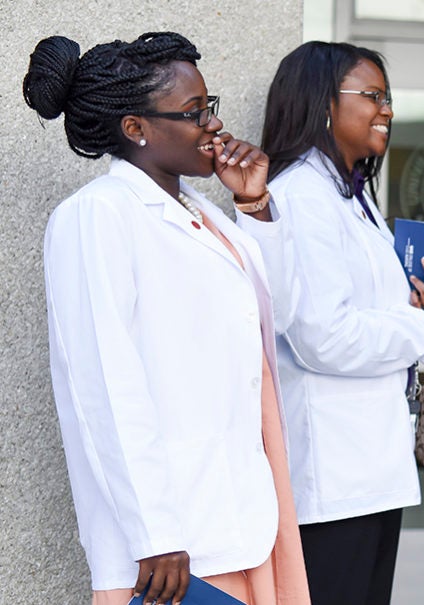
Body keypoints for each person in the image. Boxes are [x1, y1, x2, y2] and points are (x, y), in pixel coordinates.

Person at [24, 32, 309, 605]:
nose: (213, 126)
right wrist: (155, 533)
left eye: (211, 108)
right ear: (136, 129)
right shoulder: (98, 216)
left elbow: (282, 318)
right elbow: (105, 386)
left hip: (239, 514)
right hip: (170, 547)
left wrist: (255, 206)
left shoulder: (205, 213)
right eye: (194, 113)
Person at [251, 42, 424, 605]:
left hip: (368, 468)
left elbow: (359, 314)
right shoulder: (301, 195)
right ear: (323, 104)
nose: (387, 109)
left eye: (387, 97)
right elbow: (325, 337)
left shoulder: (351, 195)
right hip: (333, 477)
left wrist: (415, 309)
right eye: (372, 96)